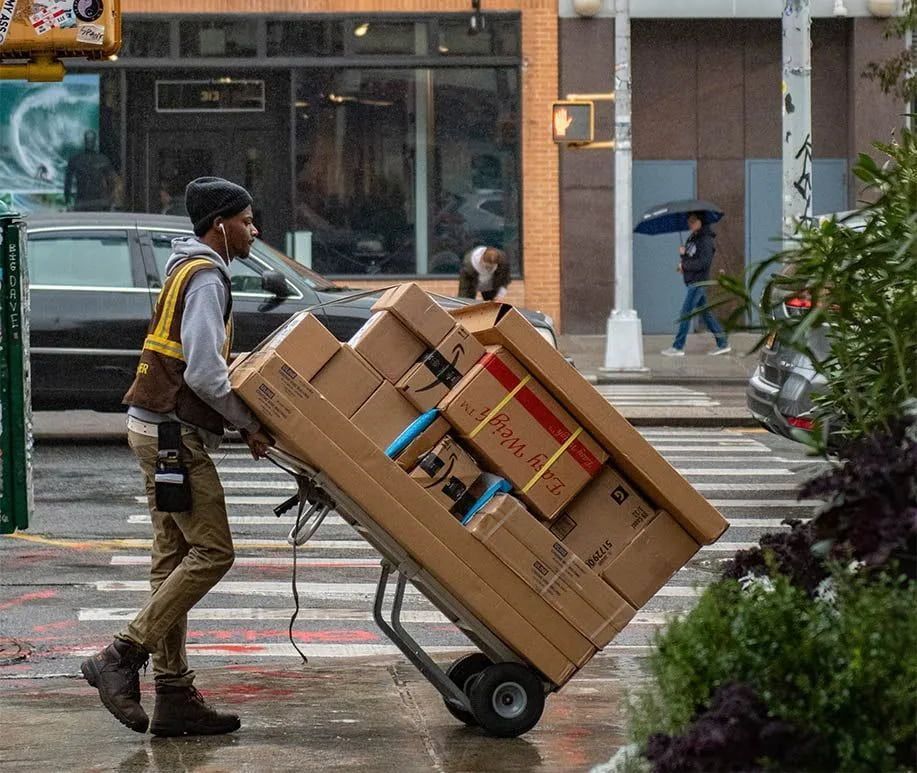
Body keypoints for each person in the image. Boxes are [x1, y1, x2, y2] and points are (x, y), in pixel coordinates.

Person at [80, 177, 273, 737]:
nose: (254, 228)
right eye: (246, 219)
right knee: (213, 552)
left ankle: (174, 694)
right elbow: (206, 374)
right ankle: (122, 653)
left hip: (152, 428)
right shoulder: (208, 277)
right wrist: (249, 424)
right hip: (174, 435)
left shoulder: (184, 267)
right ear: (220, 225)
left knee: (171, 562)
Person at [661, 212, 731, 357]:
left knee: (685, 314)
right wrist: (683, 255)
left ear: (701, 221)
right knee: (706, 314)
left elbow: (703, 263)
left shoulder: (705, 240)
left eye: (693, 221)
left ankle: (678, 347)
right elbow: (691, 257)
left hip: (699, 281)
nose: (690, 224)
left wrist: (685, 266)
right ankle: (723, 343)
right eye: (689, 221)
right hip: (693, 280)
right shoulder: (694, 237)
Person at [64, 130, 118, 211]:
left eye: (90, 140)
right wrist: (111, 202)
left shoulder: (75, 160)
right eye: (88, 140)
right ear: (95, 142)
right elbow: (112, 183)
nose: (89, 142)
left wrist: (67, 201)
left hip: (84, 202)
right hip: (96, 202)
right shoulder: (103, 160)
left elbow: (68, 182)